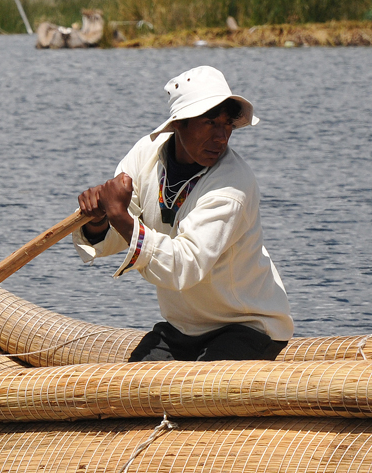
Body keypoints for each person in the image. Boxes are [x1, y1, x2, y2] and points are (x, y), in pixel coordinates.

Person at [75, 66, 293, 362]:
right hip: (183, 328)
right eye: (210, 123)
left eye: (227, 124)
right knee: (132, 390)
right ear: (179, 124)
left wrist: (120, 217)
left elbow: (184, 265)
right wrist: (101, 219)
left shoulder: (232, 186)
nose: (221, 136)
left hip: (247, 326)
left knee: (200, 396)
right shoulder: (145, 155)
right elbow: (117, 233)